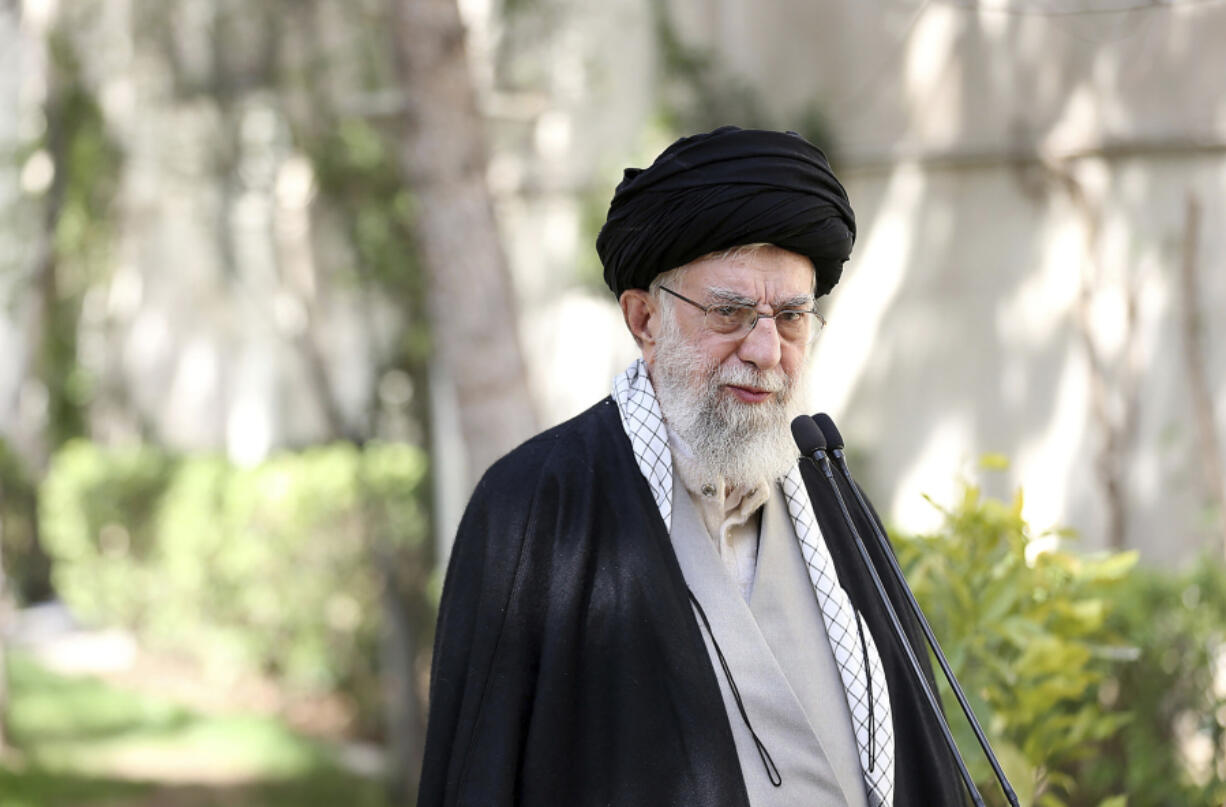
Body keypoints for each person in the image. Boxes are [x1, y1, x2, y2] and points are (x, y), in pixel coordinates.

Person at [417, 127, 969, 807]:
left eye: (791, 317)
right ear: (644, 319)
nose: (766, 349)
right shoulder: (532, 508)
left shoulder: (833, 498)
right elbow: (480, 772)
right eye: (731, 312)